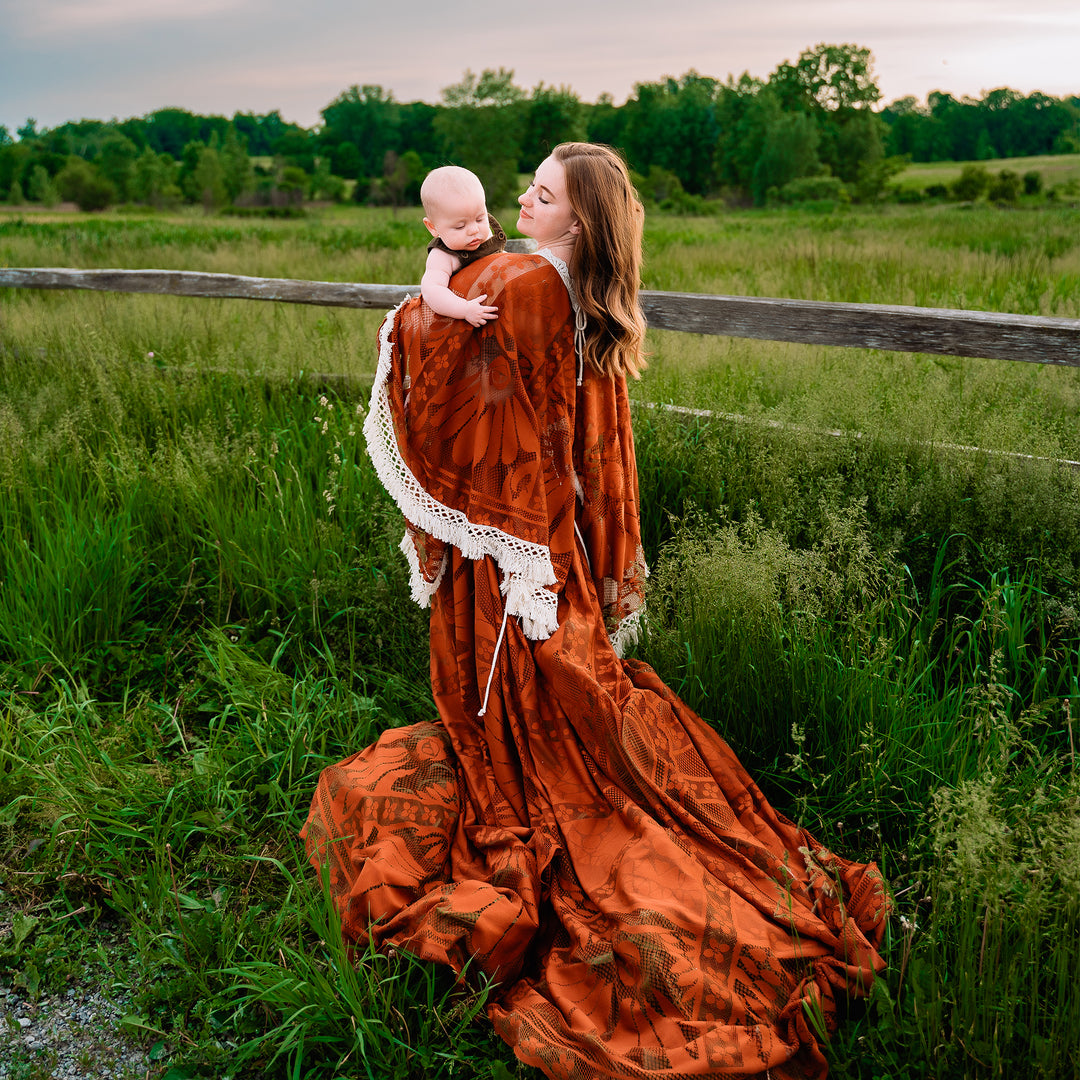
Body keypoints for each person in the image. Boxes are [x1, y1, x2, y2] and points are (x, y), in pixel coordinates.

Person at [303, 143, 889, 1080]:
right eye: (527, 186)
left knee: (537, 758)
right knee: (578, 711)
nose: (522, 198)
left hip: (510, 546)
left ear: (578, 221)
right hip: (548, 534)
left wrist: (426, 305)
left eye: (543, 193)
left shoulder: (530, 283)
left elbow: (421, 340)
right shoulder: (570, 288)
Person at [420, 164, 504, 327]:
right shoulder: (442, 256)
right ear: (432, 227)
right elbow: (432, 291)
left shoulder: (484, 236)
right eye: (460, 226)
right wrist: (464, 309)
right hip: (463, 323)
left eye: (480, 219)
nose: (474, 230)